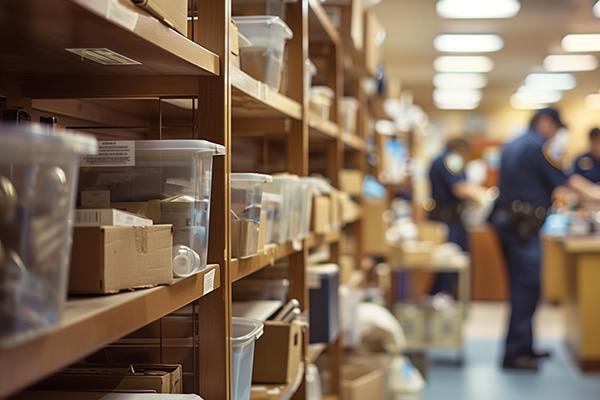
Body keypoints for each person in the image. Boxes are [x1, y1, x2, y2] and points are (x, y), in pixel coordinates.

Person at [490, 108, 600, 371]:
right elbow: (567, 181)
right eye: (556, 128)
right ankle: (516, 353)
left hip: (510, 222)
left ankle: (523, 346)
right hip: (522, 227)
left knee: (524, 287)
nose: (556, 134)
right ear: (545, 121)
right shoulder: (538, 146)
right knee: (527, 286)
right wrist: (596, 195)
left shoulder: (514, 143)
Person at [428, 138, 486, 294]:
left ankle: (440, 299)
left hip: (447, 218)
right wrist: (483, 196)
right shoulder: (451, 159)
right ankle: (440, 299)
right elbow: (459, 188)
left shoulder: (442, 158)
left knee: (450, 263)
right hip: (447, 220)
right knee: (449, 262)